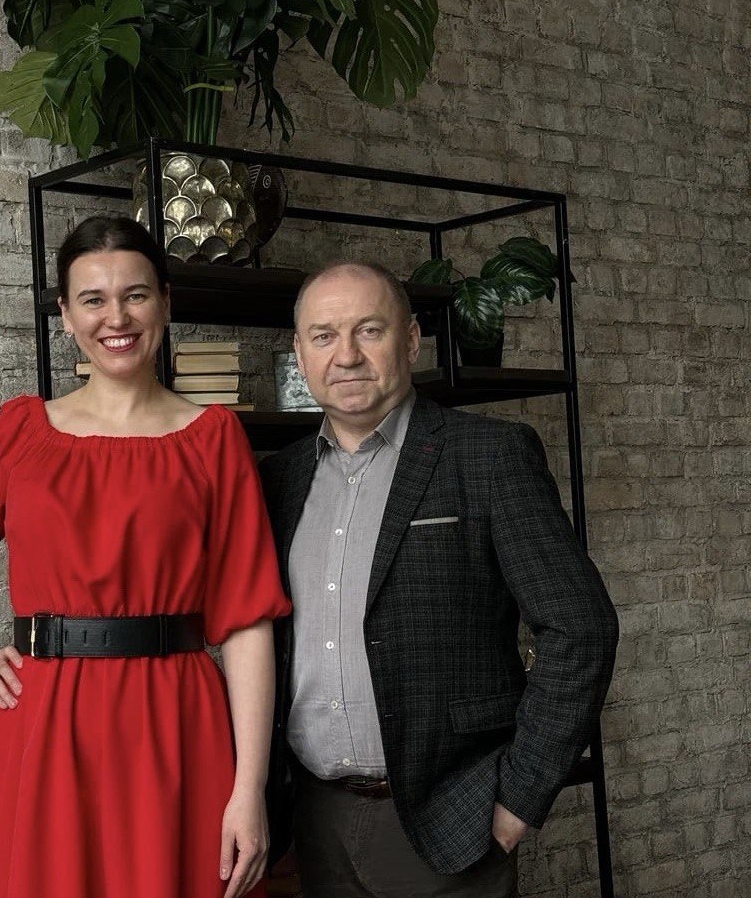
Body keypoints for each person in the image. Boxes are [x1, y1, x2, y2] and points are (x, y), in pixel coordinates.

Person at [0, 216, 290, 898]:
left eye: (135, 295)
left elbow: (246, 622)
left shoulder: (213, 439)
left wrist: (249, 788)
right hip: (43, 723)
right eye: (93, 299)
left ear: (165, 302)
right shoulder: (21, 432)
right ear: (65, 315)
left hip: (175, 720)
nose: (116, 318)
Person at [259, 260, 619, 898]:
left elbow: (581, 628)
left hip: (448, 817)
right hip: (313, 818)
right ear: (300, 351)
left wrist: (518, 800)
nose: (346, 355)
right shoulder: (279, 479)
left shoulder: (488, 455)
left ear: (410, 341)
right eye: (324, 336)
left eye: (369, 330)